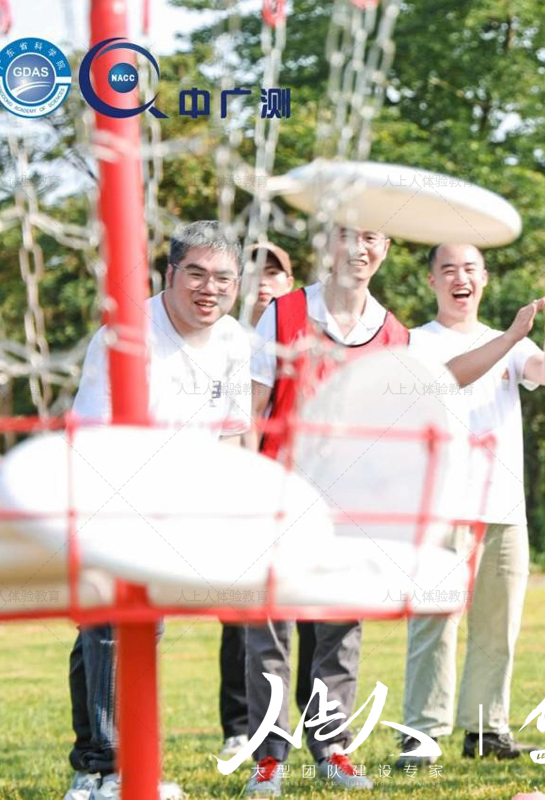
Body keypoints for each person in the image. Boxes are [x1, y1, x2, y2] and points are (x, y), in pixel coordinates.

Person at [66, 221, 253, 800]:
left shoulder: (234, 340)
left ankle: (95, 764)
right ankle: (111, 770)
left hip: (185, 504)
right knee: (115, 625)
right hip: (111, 492)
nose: (209, 288)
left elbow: (232, 436)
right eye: (195, 273)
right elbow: (95, 437)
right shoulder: (125, 336)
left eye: (223, 278)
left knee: (114, 629)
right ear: (169, 274)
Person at [243, 226, 412, 796]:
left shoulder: (394, 334)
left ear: (385, 247)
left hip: (354, 507)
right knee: (270, 632)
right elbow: (252, 411)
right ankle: (269, 757)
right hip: (279, 497)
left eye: (371, 237)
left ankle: (332, 747)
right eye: (346, 235)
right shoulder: (283, 313)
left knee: (342, 633)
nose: (359, 248)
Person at [397, 243, 545, 766]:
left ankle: (486, 729)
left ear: (484, 278)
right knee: (434, 624)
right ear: (432, 281)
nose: (460, 278)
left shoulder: (510, 342)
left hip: (503, 506)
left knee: (498, 626)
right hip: (441, 506)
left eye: (470, 269)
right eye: (448, 269)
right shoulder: (416, 342)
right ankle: (422, 736)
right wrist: (512, 336)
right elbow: (449, 377)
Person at [216, 240, 297, 761]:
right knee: (241, 612)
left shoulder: (300, 335)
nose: (264, 281)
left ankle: (303, 720)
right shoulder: (222, 339)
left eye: (274, 272)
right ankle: (238, 724)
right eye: (254, 273)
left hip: (292, 487)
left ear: (290, 283)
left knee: (298, 609)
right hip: (235, 483)